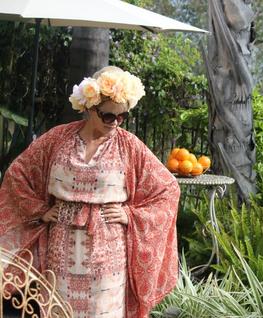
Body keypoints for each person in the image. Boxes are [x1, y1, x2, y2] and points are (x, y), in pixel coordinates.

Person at [0, 66, 180, 318]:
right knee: (57, 309)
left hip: (108, 250)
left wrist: (130, 215)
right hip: (60, 248)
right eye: (108, 116)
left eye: (122, 117)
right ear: (90, 107)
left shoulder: (129, 146)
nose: (115, 123)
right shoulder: (57, 139)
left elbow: (167, 188)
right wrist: (39, 211)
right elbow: (18, 173)